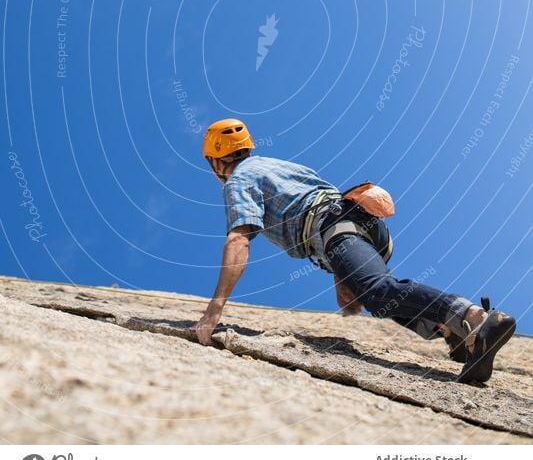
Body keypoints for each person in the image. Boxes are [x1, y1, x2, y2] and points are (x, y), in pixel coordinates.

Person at [194, 118, 516, 384]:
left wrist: (214, 310)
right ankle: (453, 329)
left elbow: (240, 239)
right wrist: (342, 276)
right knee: (379, 298)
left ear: (216, 161)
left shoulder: (239, 179)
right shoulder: (278, 166)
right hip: (362, 224)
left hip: (337, 226)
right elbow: (326, 200)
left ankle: (474, 317)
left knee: (376, 291)